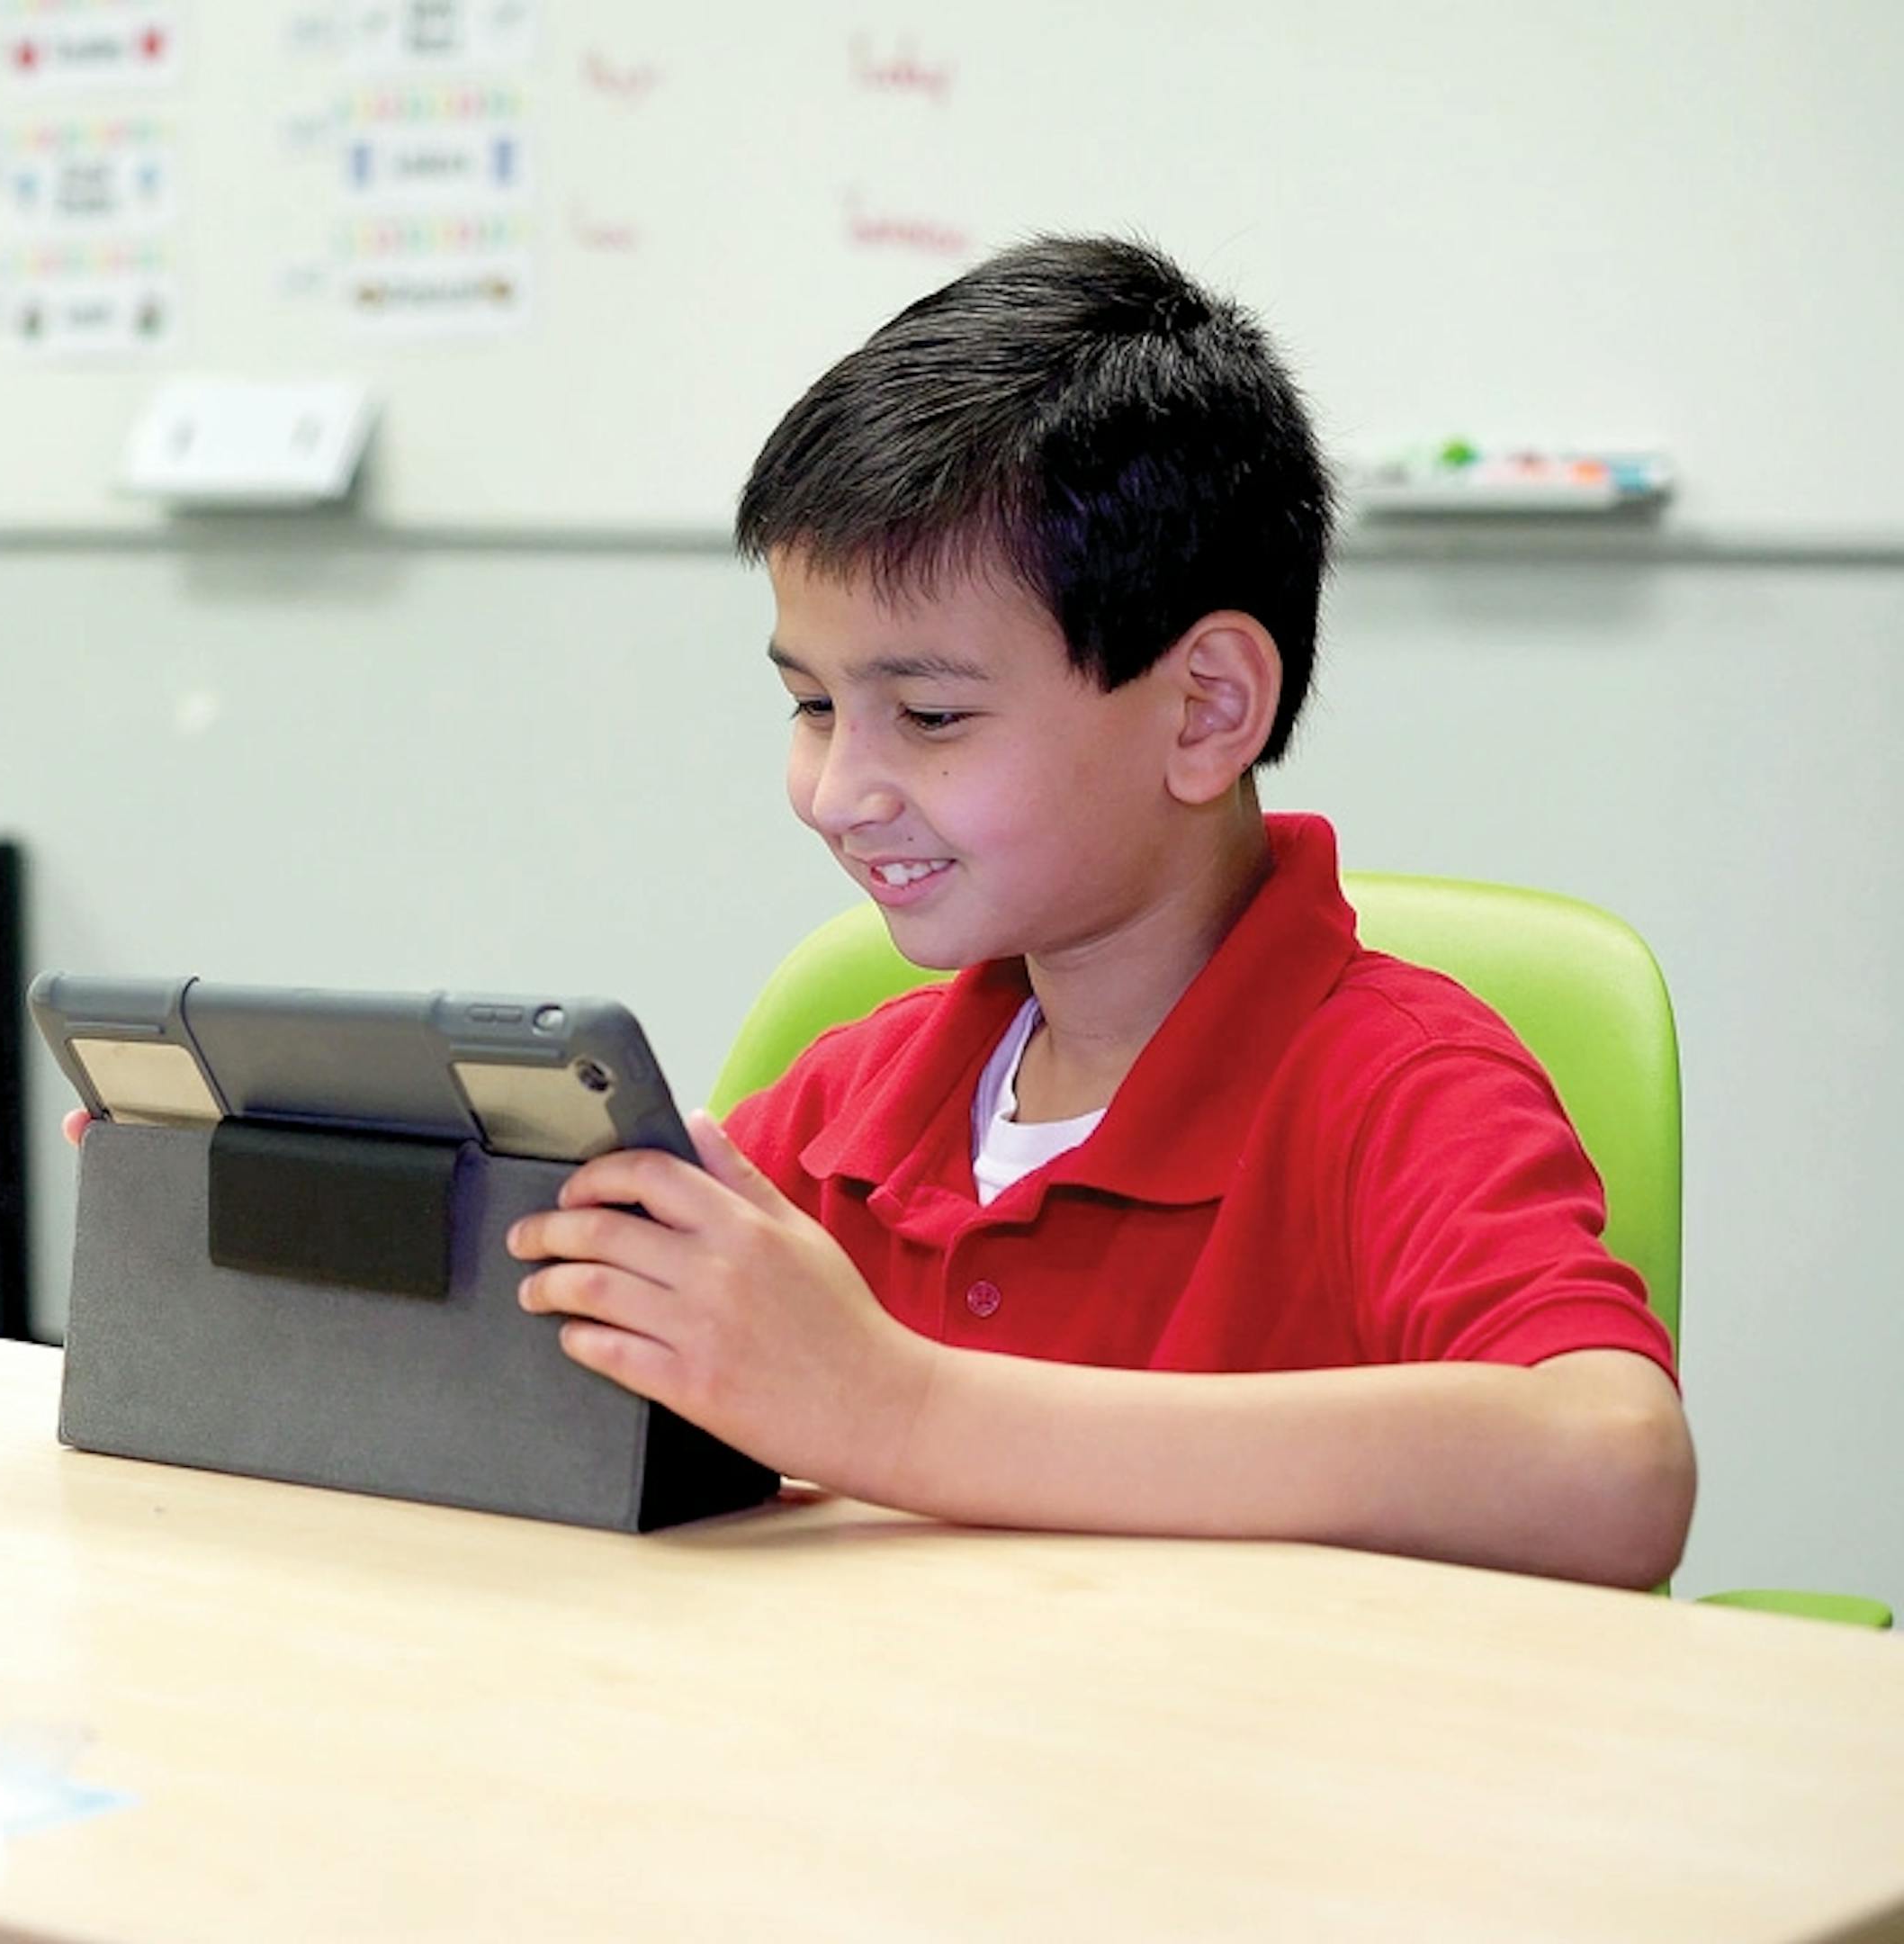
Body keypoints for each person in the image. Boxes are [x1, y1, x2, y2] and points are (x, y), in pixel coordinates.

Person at [502, 236, 1693, 1589]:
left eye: (932, 715)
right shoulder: (852, 1104)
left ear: (1206, 709)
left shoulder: (1401, 1089)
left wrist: (902, 1410)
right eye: (813, 704)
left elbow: (1617, 1471)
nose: (839, 792)